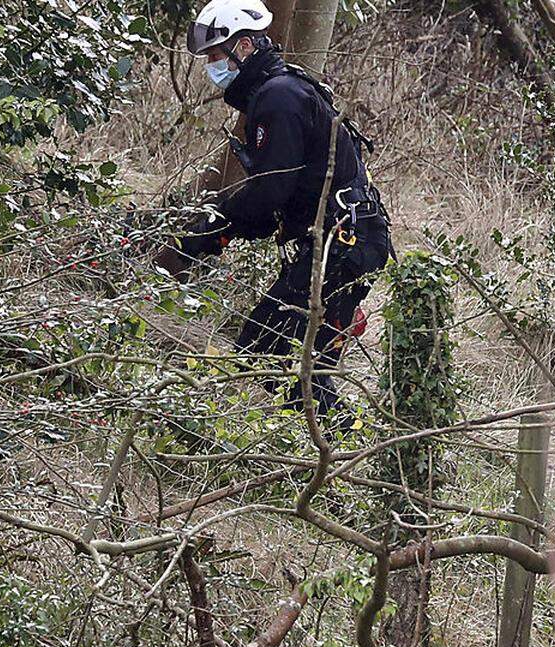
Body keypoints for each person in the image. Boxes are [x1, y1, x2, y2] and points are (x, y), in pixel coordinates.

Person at [155, 0, 392, 415]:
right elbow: (279, 195)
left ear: (243, 47)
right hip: (338, 245)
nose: (212, 67)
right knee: (281, 356)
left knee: (275, 351)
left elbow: (270, 192)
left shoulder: (279, 98)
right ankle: (319, 452)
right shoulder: (278, 90)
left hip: (344, 247)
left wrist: (215, 227)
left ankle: (339, 454)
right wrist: (223, 227)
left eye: (215, 55)